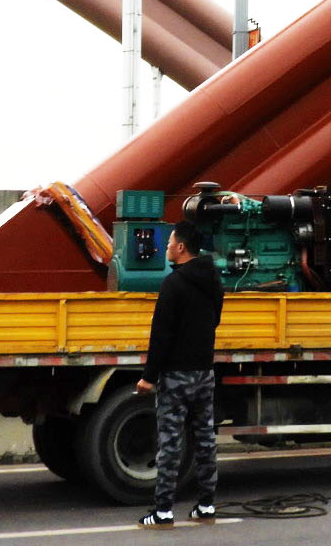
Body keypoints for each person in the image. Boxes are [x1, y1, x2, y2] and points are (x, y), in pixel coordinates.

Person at [134, 221, 222, 528]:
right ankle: (207, 505)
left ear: (181, 247)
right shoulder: (212, 278)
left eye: (170, 242)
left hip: (176, 376)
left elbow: (161, 336)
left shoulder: (173, 284)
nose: (167, 247)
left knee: (171, 443)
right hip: (204, 372)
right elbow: (216, 319)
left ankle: (163, 510)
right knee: (205, 439)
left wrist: (149, 376)